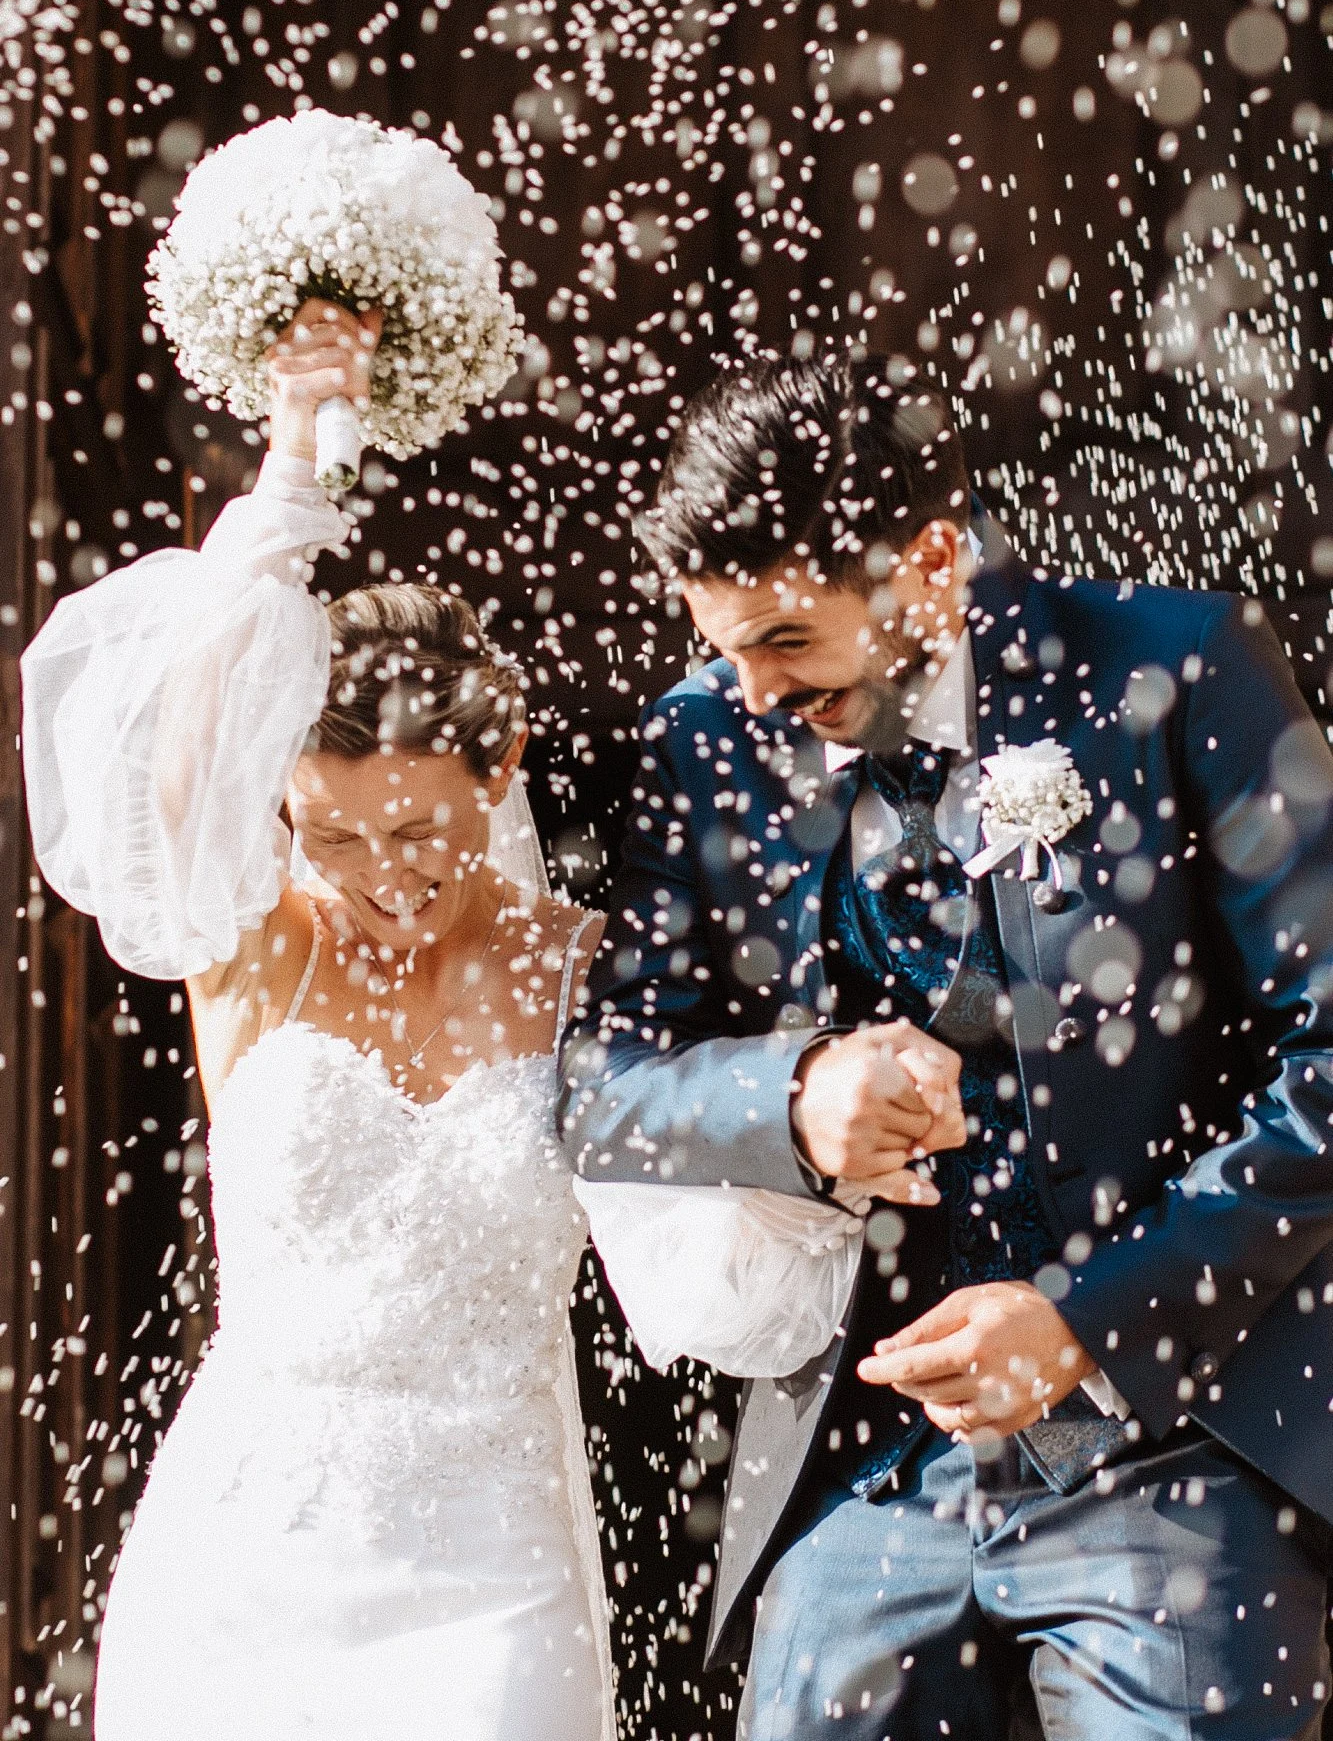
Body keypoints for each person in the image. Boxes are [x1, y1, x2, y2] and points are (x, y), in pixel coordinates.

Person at [558, 350, 1333, 1739]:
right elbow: (597, 1090)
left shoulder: (1176, 665)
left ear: (924, 561)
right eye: (722, 648)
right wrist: (792, 1096)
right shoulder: (705, 740)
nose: (750, 692)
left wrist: (1090, 1329)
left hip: (1163, 1443)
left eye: (788, 643)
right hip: (866, 1474)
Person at [22, 300, 613, 1741]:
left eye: (417, 832)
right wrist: (295, 465)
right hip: (245, 1555)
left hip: (497, 1565)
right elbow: (183, 747)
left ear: (504, 769)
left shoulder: (588, 967)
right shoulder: (247, 944)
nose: (378, 882)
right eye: (329, 838)